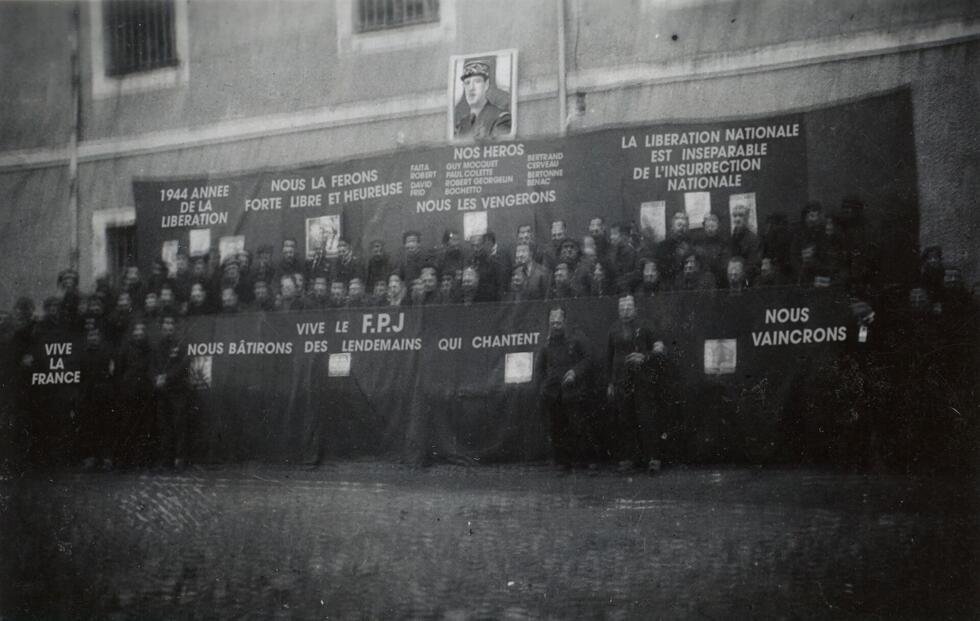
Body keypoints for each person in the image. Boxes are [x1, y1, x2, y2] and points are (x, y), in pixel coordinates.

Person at [606, 295, 665, 471]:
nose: (625, 310)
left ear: (635, 308)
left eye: (629, 307)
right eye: (622, 307)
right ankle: (628, 458)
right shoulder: (613, 329)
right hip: (621, 382)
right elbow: (609, 358)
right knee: (625, 420)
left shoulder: (646, 326)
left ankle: (653, 458)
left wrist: (645, 357)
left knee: (646, 418)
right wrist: (610, 382)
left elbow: (660, 350)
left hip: (643, 381)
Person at [535, 306, 593, 468]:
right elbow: (539, 369)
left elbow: (588, 359)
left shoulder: (576, 337)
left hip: (574, 391)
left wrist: (575, 372)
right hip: (553, 394)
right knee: (557, 428)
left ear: (565, 321)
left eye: (558, 322)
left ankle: (587, 461)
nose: (555, 325)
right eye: (552, 323)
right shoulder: (546, 343)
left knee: (579, 426)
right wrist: (542, 387)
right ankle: (562, 462)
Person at [151, 313, 190, 469]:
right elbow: (152, 366)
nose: (168, 327)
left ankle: (180, 458)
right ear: (162, 328)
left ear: (174, 327)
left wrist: (166, 377)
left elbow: (183, 365)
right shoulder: (157, 346)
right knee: (164, 426)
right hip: (162, 392)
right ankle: (166, 459)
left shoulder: (182, 344)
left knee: (179, 424)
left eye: (171, 324)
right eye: (165, 324)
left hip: (178, 391)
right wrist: (156, 378)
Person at [453, 59, 511, 140]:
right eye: (467, 83)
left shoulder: (501, 119)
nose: (471, 88)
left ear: (486, 85)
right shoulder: (460, 126)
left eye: (477, 81)